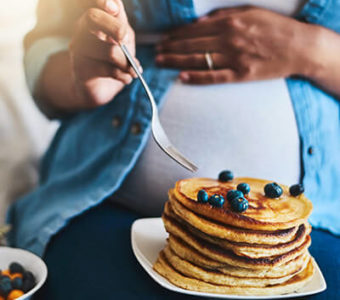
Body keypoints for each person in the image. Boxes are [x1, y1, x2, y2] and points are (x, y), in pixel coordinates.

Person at [7, 0, 340, 299]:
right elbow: (47, 42)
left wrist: (318, 52)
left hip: (309, 228)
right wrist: (79, 77)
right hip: (106, 203)